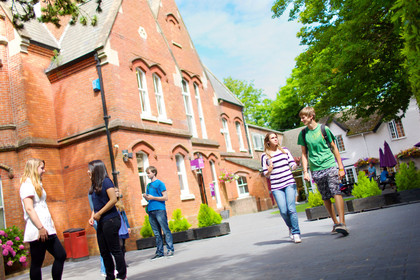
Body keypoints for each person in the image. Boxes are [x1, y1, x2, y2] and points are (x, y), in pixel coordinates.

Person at [298, 107, 349, 236]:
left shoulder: (324, 129)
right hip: (316, 168)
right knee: (325, 196)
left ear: (311, 116)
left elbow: (334, 148)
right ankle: (336, 223)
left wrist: (341, 167)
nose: (302, 119)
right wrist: (305, 171)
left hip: (329, 164)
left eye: (304, 117)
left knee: (335, 190)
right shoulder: (303, 134)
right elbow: (304, 154)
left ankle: (343, 222)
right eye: (301, 117)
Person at [20, 158, 66, 280]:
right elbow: (29, 209)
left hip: (47, 229)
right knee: (37, 263)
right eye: (41, 168)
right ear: (34, 169)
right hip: (38, 230)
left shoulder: (38, 185)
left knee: (61, 255)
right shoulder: (27, 185)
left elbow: (43, 207)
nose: (44, 171)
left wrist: (50, 225)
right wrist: (40, 228)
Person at [88, 160, 127, 280]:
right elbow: (97, 205)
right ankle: (109, 276)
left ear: (97, 170)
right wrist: (92, 216)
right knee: (104, 251)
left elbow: (113, 200)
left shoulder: (106, 181)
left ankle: (121, 275)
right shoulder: (95, 185)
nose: (88, 171)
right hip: (101, 221)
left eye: (90, 169)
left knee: (115, 249)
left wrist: (99, 213)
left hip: (110, 220)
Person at [261, 132, 302, 243]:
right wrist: (269, 170)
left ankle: (296, 233)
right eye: (272, 138)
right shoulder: (264, 156)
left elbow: (292, 165)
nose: (275, 139)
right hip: (276, 186)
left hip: (289, 183)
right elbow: (266, 174)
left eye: (276, 137)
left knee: (291, 209)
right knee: (283, 211)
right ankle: (290, 227)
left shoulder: (285, 150)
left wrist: (297, 163)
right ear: (268, 141)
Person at [143, 166, 174, 259]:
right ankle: (159, 252)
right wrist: (146, 197)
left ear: (154, 172)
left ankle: (170, 249)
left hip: (160, 209)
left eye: (148, 173)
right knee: (156, 233)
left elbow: (165, 197)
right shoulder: (148, 185)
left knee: (165, 230)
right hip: (151, 210)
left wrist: (153, 197)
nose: (147, 175)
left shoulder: (160, 183)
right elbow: (149, 198)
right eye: (147, 173)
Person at [88, 194, 106, 277]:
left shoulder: (91, 191)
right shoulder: (95, 190)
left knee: (104, 245)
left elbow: (93, 208)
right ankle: (105, 269)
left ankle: (104, 269)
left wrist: (92, 217)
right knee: (106, 245)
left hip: (96, 218)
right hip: (101, 218)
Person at [115, 188, 131, 264]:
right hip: (116, 226)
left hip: (122, 225)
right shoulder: (111, 203)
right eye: (115, 192)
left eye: (118, 191)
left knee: (123, 245)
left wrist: (128, 226)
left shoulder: (120, 203)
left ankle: (123, 261)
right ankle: (120, 262)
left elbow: (124, 216)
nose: (117, 193)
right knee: (119, 245)